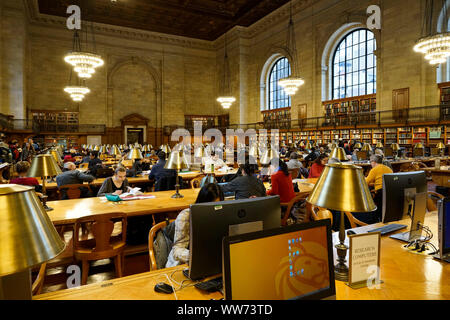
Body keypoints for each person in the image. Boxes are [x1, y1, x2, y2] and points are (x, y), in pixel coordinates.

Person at [166, 183, 224, 267]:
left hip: (210, 263)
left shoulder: (222, 215)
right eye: (209, 206)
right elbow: (177, 250)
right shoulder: (186, 216)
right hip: (183, 264)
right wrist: (197, 257)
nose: (213, 211)